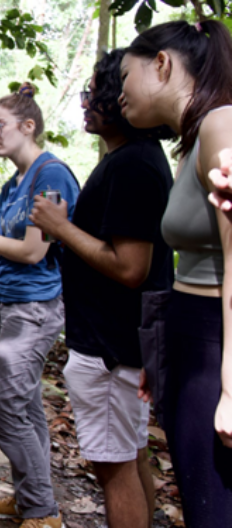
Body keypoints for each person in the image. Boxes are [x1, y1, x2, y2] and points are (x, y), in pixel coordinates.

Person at [30, 50, 176, 528]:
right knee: (131, 457)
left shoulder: (133, 165)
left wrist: (60, 226)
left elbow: (132, 267)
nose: (87, 102)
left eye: (96, 91)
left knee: (114, 470)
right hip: (119, 342)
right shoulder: (130, 160)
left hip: (113, 345)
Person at [116, 20, 232, 527]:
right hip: (189, 334)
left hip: (214, 344)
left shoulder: (220, 124)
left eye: (125, 77)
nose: (119, 93)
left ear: (161, 64)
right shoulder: (190, 142)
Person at [0, 83, 79, 528]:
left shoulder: (53, 175)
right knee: (24, 405)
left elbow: (32, 252)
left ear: (28, 127)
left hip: (34, 309)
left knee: (3, 409)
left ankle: (43, 512)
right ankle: (32, 499)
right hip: (2, 304)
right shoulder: (13, 184)